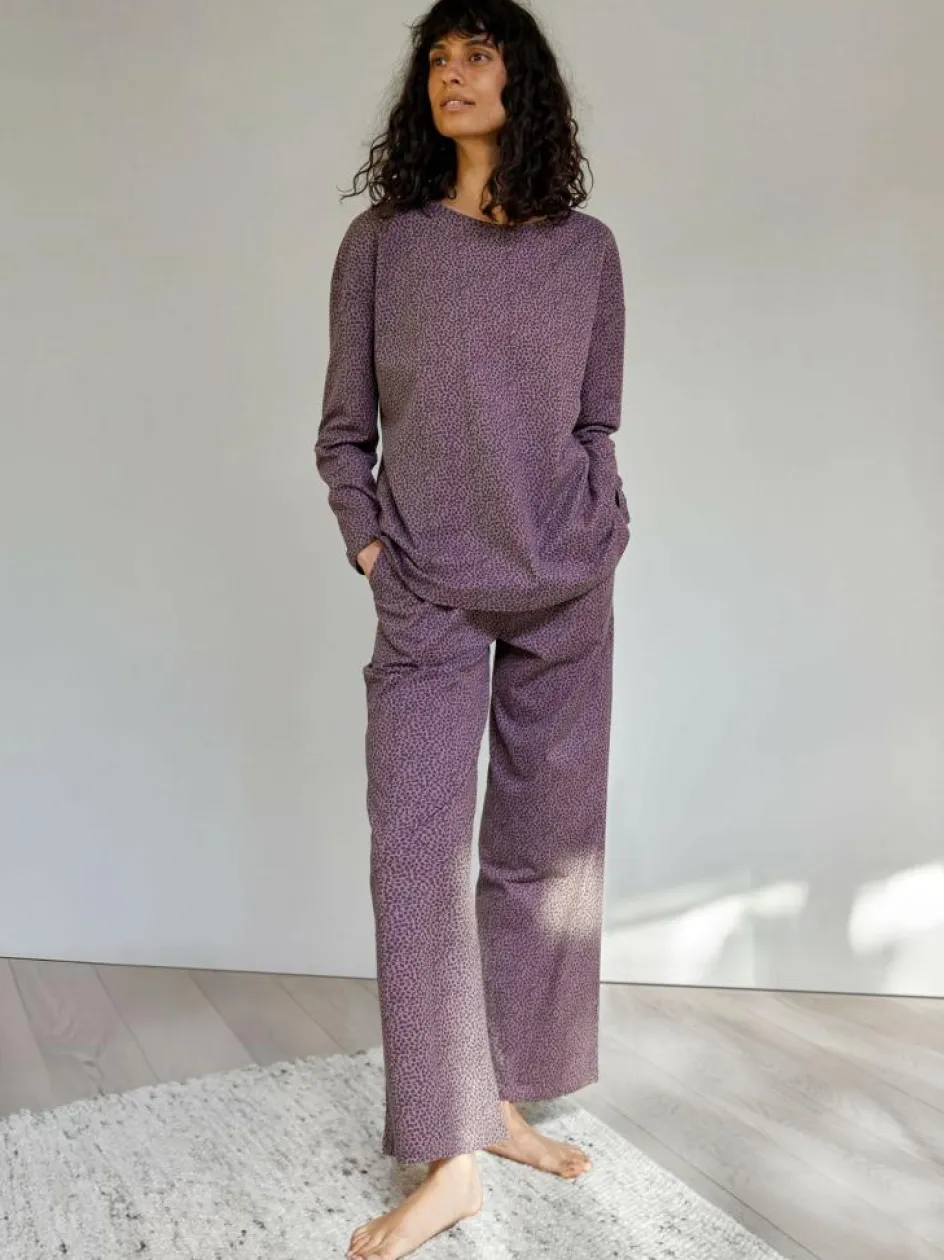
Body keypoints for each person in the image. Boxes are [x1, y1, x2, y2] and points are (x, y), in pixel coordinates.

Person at [314, 2, 631, 1256]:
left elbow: (595, 421)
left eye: (476, 55)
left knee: (545, 856)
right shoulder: (382, 245)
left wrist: (603, 520)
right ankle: (446, 1156)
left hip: (566, 578)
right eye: (437, 61)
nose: (452, 76)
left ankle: (497, 1102)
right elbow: (344, 431)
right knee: (415, 857)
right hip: (429, 586)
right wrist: (371, 547)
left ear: (520, 78)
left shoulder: (586, 252)